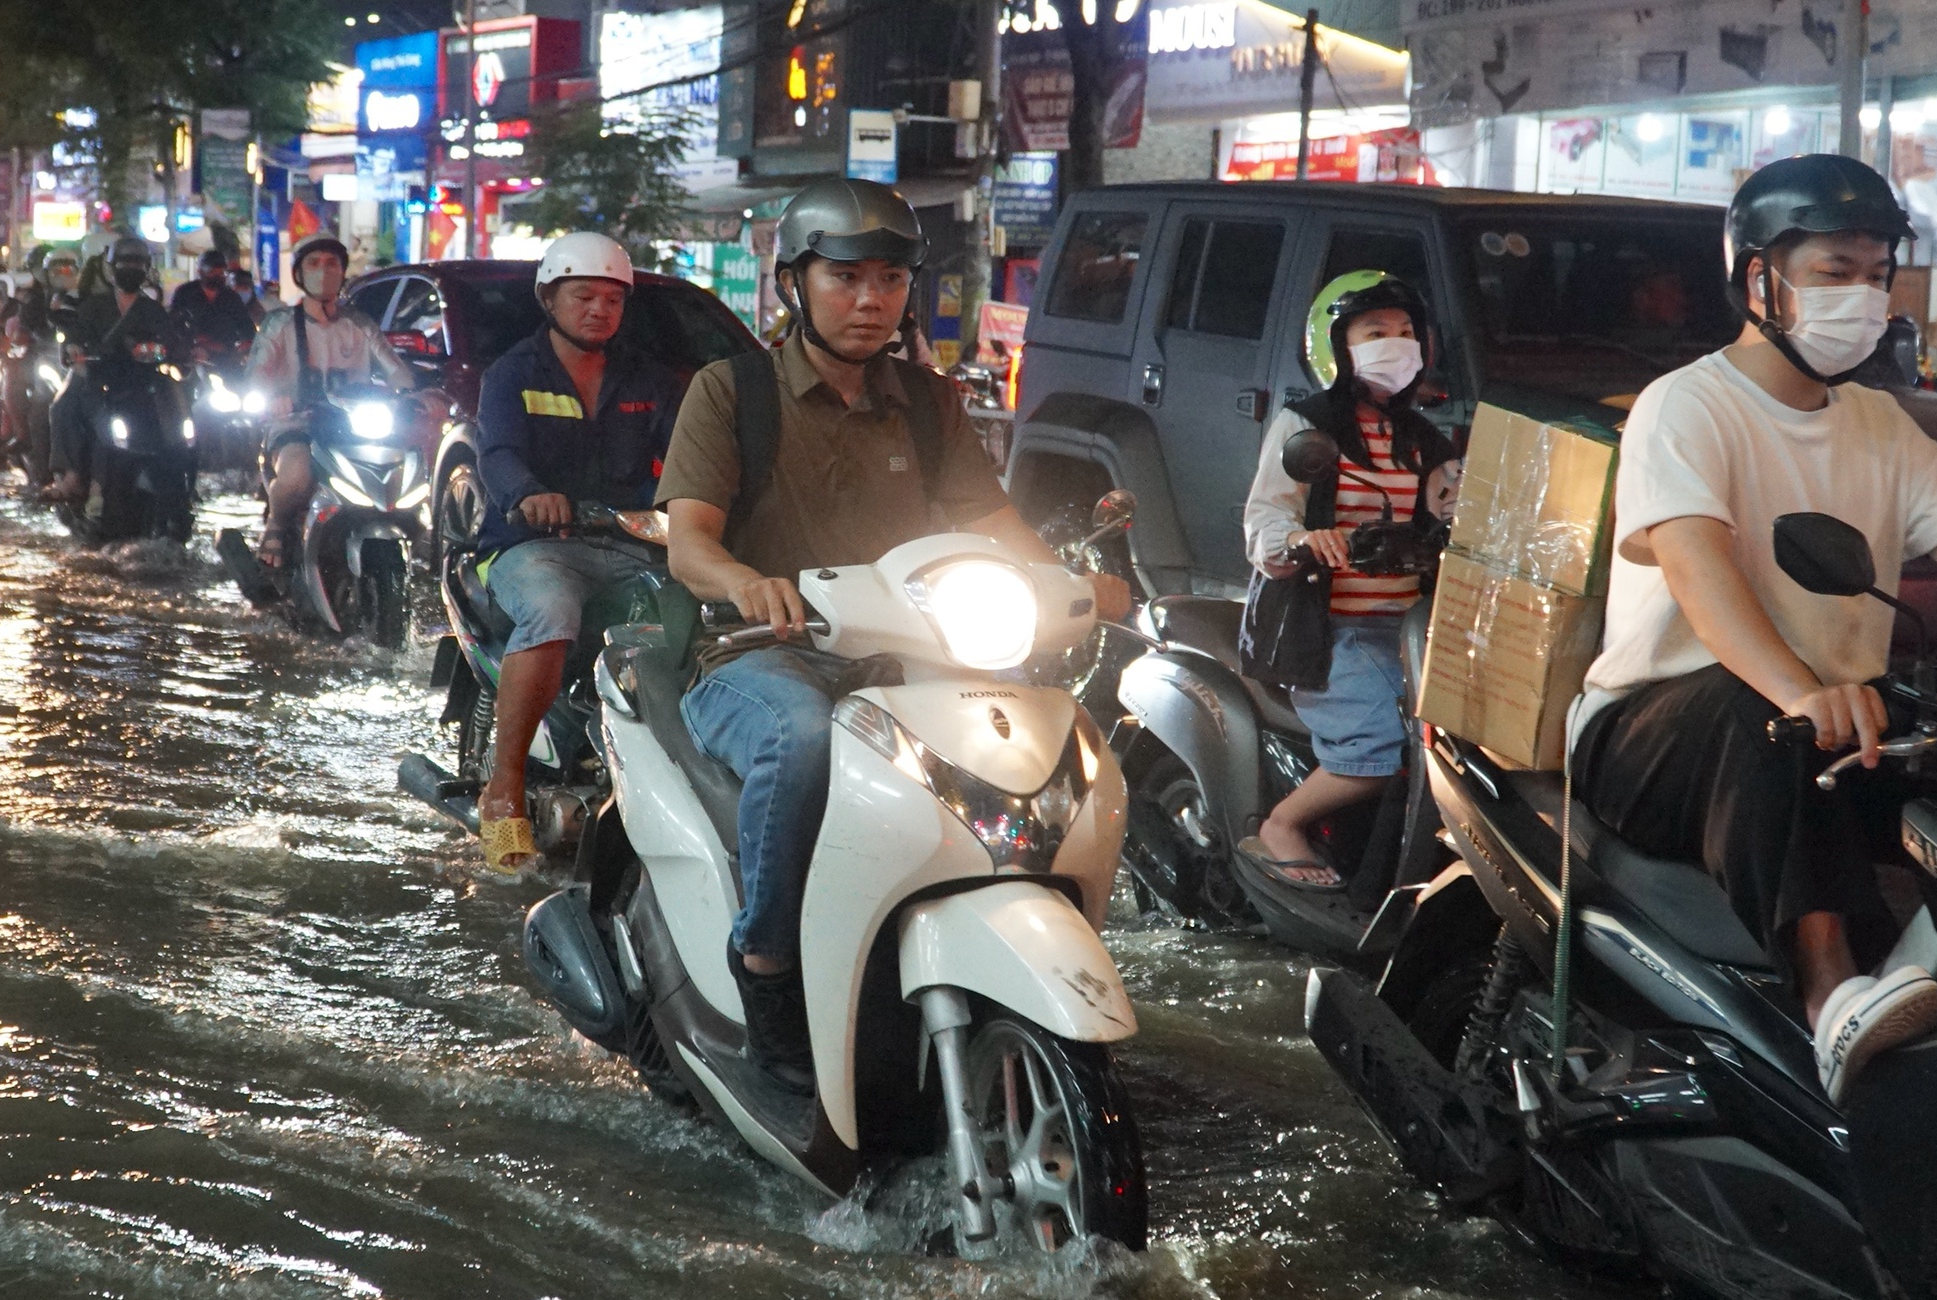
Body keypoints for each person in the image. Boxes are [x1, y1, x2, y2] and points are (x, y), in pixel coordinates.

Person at [1570, 154, 1937, 1104]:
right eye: (1835, 272)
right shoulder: (1687, 406)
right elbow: (1698, 571)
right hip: (1661, 726)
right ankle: (1830, 995)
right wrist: (1800, 688)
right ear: (1760, 279)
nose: (1864, 296)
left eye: (1878, 274)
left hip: (1845, 723)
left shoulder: (1880, 425)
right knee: (1769, 724)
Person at [655, 180, 1134, 1094]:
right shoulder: (733, 392)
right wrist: (749, 584)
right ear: (795, 282)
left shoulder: (929, 400)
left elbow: (993, 523)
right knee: (800, 740)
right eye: (845, 278)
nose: (871, 300)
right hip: (761, 656)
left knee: (1045, 729)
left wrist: (1070, 585)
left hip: (917, 655)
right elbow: (689, 543)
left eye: (890, 278)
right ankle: (766, 964)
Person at [1239, 272, 1461, 886]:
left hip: (1410, 629)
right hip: (1331, 628)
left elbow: (1458, 510)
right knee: (1382, 747)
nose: (1397, 343)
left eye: (1406, 332)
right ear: (1335, 346)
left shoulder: (1420, 437)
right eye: (1376, 332)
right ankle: (1282, 824)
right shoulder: (1307, 427)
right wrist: (1303, 539)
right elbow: (1265, 518)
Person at [470, 233, 680, 869]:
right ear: (549, 298)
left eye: (613, 299)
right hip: (531, 546)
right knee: (553, 608)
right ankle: (503, 789)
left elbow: (687, 456)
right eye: (583, 295)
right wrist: (531, 494)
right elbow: (498, 453)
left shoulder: (651, 378)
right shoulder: (513, 374)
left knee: (700, 617)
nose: (599, 310)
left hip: (631, 545)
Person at [242, 235, 415, 566]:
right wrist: (273, 399)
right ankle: (275, 526)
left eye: (332, 263)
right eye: (313, 263)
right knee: (296, 476)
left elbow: (397, 371)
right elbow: (255, 378)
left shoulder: (359, 324)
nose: (323, 271)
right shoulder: (279, 324)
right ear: (299, 274)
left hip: (352, 429)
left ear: (343, 271)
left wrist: (411, 394)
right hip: (297, 426)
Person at [46, 237, 172, 500]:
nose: (131, 269)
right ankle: (72, 476)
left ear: (146, 269)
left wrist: (159, 353)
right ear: (112, 268)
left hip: (140, 386)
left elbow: (170, 345)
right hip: (98, 381)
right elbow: (74, 336)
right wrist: (74, 350)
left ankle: (176, 483)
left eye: (137, 264)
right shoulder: (94, 306)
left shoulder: (153, 312)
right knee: (63, 407)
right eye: (124, 263)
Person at [167, 248, 256, 365]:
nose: (217, 276)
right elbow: (173, 323)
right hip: (191, 356)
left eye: (221, 272)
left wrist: (247, 343)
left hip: (224, 358)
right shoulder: (185, 292)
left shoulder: (231, 297)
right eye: (212, 272)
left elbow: (245, 324)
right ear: (200, 272)